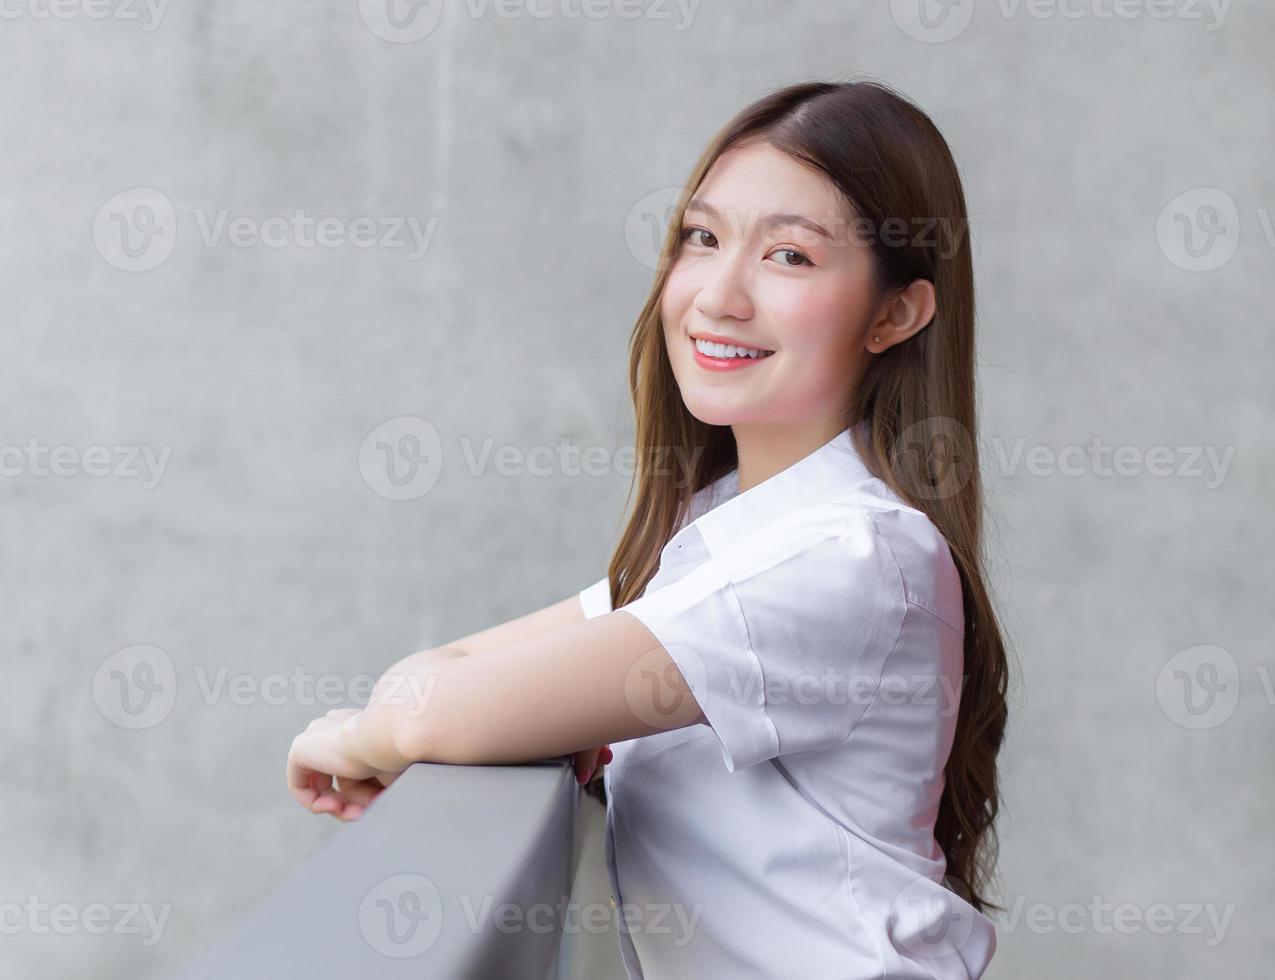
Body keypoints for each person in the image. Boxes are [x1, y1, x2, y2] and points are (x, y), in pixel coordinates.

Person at [286, 77, 1012, 979]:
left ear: (894, 313)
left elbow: (439, 707)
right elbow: (451, 679)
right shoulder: (721, 528)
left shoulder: (845, 558)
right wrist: (411, 714)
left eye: (788, 257)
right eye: (702, 239)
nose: (718, 295)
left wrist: (346, 736)